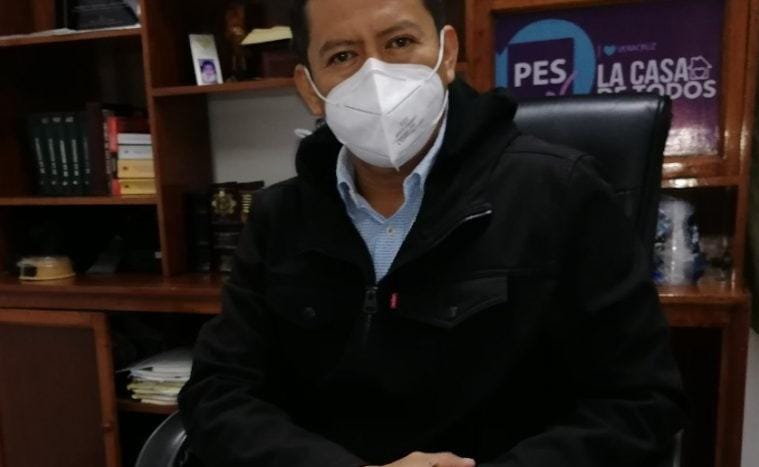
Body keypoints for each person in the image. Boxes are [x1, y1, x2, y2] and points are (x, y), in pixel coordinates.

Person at [178, 0, 686, 466]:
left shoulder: (561, 192)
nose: (376, 74)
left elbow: (640, 402)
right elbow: (218, 392)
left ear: (447, 55)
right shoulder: (279, 216)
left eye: (400, 42)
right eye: (342, 56)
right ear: (310, 89)